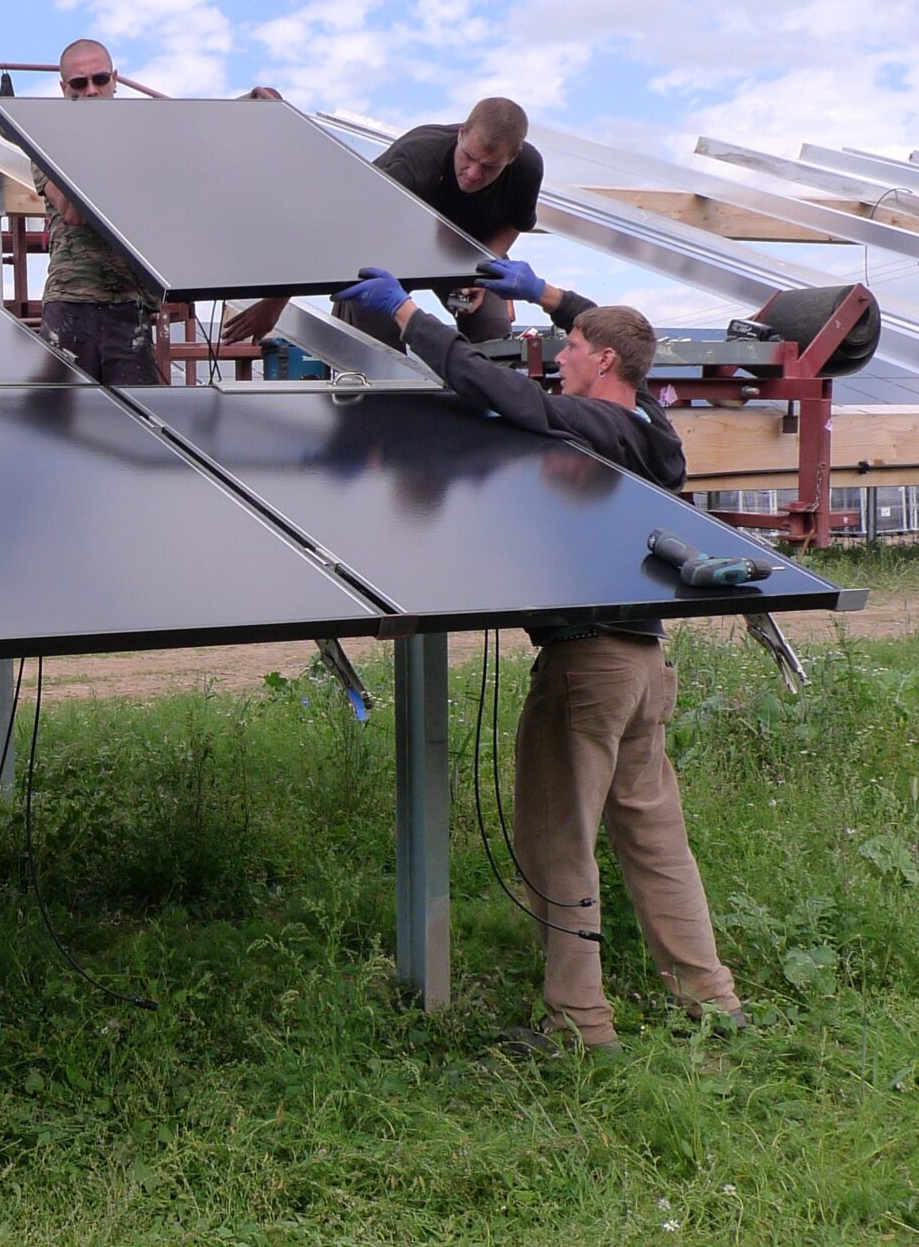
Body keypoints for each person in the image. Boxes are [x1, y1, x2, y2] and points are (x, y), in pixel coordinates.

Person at [333, 257, 745, 1053]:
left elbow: (507, 395)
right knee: (656, 841)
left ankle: (579, 1025)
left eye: (573, 346)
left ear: (606, 361)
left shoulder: (595, 424)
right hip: (644, 665)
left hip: (586, 664)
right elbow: (614, 338)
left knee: (557, 842)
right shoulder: (654, 427)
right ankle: (711, 1001)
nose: (561, 356)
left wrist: (410, 317)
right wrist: (549, 296)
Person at [224, 95, 544, 348]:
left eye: (489, 167)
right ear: (461, 133)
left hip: (463, 248)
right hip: (384, 248)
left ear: (512, 158)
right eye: (469, 158)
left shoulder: (527, 168)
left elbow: (516, 222)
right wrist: (274, 303)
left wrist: (482, 265)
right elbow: (336, 228)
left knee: (491, 327)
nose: (473, 174)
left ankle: (485, 401)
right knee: (379, 331)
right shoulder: (415, 159)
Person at [31, 38, 163, 387]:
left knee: (136, 415)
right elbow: (73, 213)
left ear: (114, 80)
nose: (91, 90)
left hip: (128, 302)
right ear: (64, 89)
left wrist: (252, 105)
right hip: (72, 301)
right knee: (60, 415)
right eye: (79, 83)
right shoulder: (44, 143)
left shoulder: (143, 141)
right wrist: (92, 140)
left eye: (100, 79)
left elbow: (196, 140)